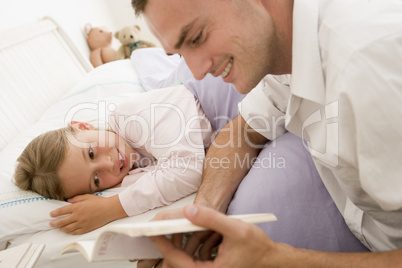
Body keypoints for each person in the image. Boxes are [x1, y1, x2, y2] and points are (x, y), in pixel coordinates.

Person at [130, 0, 402, 266]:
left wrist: (274, 260)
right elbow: (241, 130)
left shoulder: (367, 68)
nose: (197, 73)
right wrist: (201, 215)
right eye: (179, 55)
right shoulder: (287, 49)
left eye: (197, 38)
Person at [14, 85, 213, 235]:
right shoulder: (129, 173)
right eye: (96, 180)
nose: (108, 164)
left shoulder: (132, 117)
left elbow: (188, 170)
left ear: (83, 127)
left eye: (91, 153)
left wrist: (110, 208)